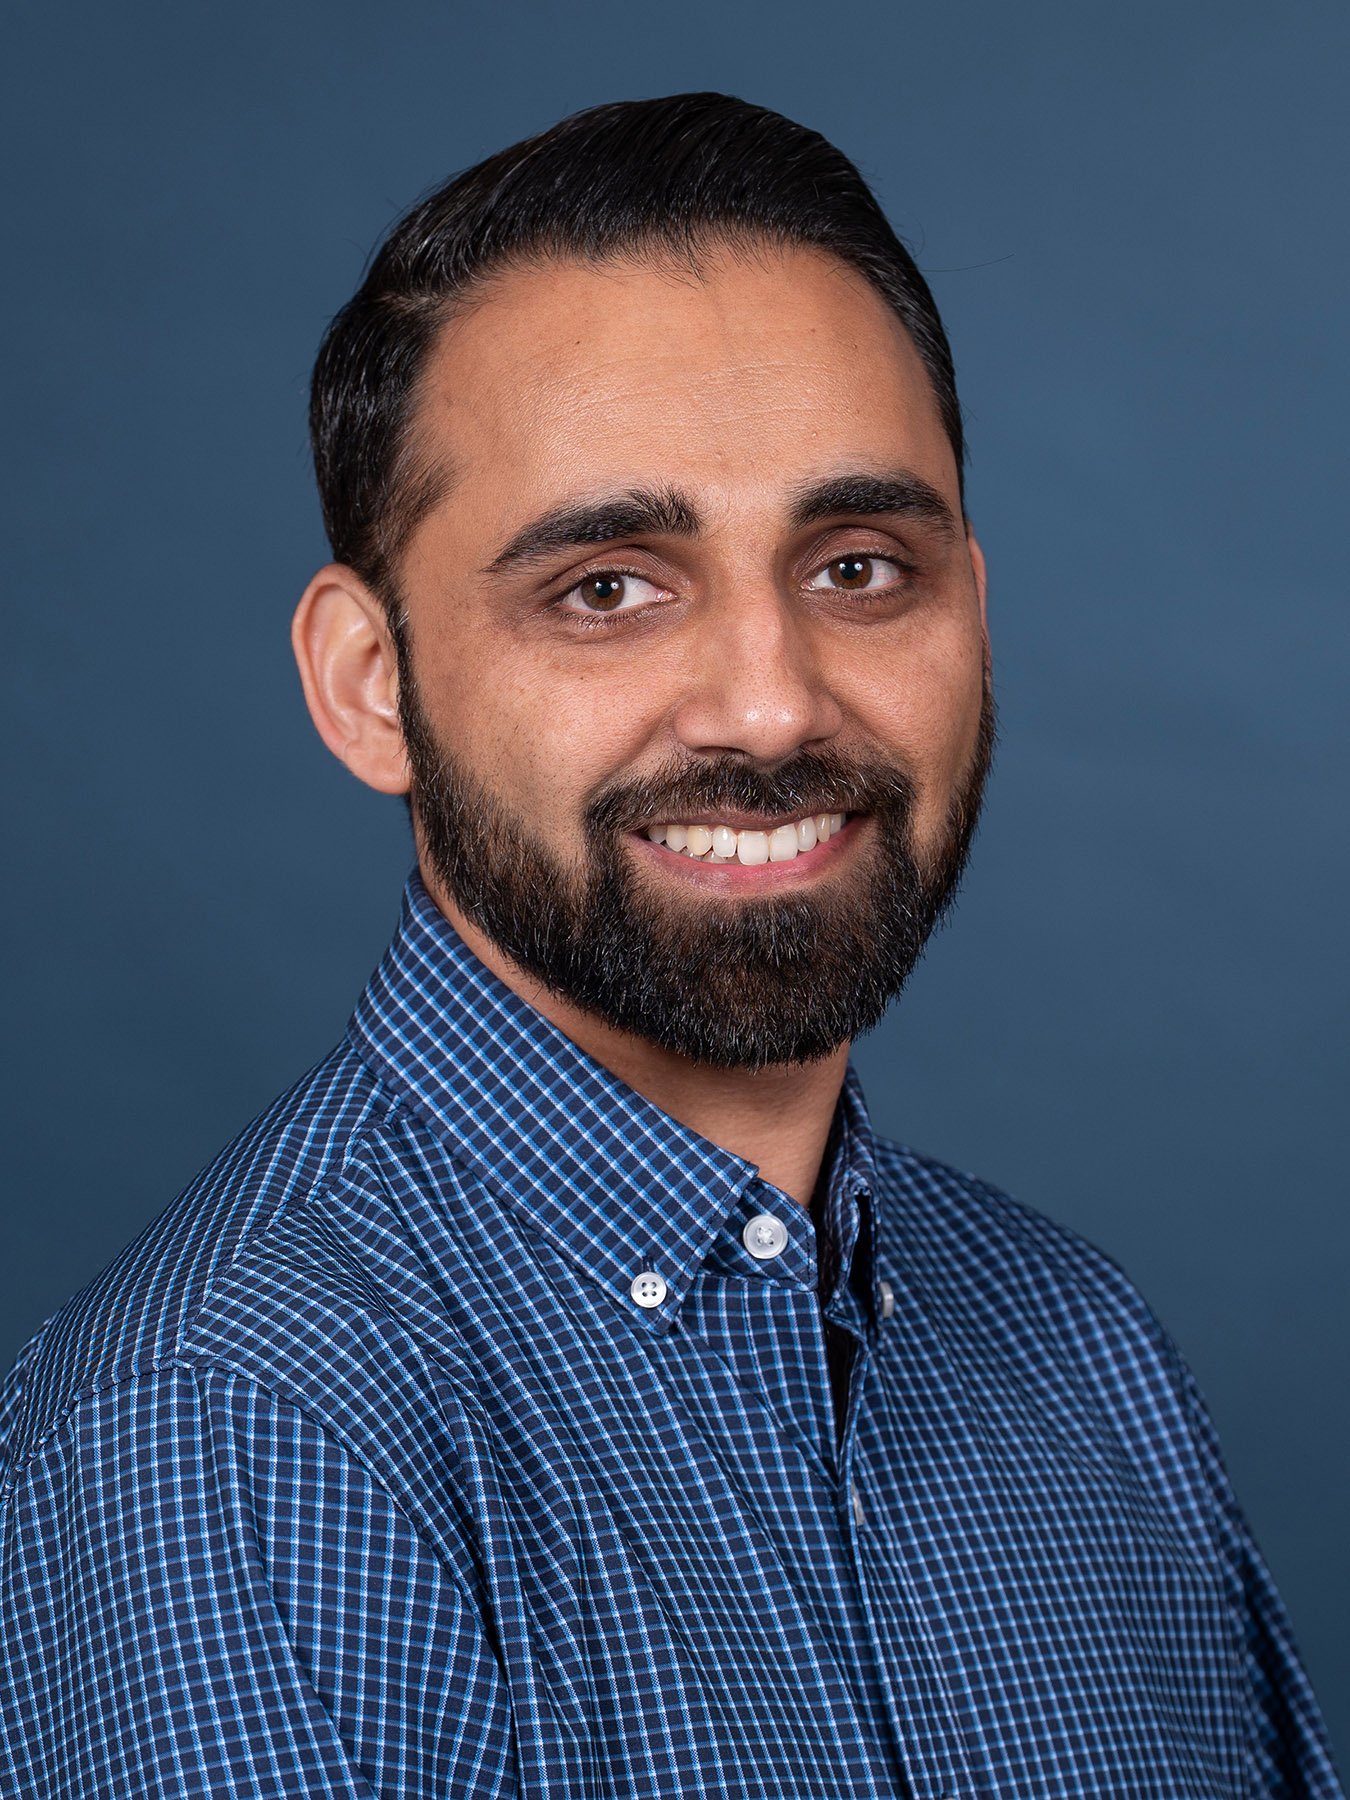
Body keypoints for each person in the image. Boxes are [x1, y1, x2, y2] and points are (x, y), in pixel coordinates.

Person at [0, 92, 1339, 1800]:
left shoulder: (1077, 1346)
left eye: (858, 567)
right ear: (370, 684)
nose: (770, 704)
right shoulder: (234, 1424)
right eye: (607, 588)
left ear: (976, 611)